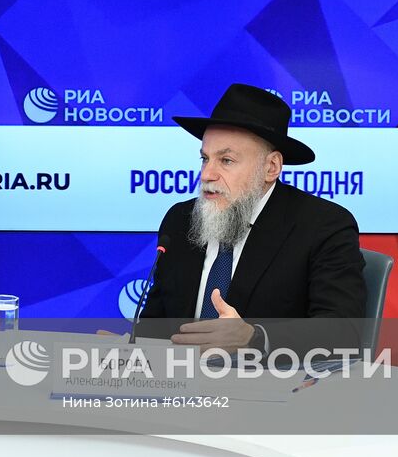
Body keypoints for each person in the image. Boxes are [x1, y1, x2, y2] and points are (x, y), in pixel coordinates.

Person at [138, 84, 367, 357]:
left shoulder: (323, 226)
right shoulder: (180, 220)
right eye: (205, 158)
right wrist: (128, 347)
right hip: (182, 379)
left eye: (226, 160)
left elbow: (344, 332)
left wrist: (254, 337)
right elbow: (157, 324)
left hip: (273, 379)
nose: (207, 174)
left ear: (271, 167)